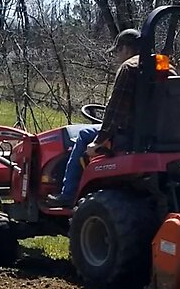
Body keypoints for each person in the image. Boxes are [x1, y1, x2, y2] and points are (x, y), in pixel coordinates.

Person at [45, 28, 144, 208]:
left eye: (117, 51)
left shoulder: (129, 68)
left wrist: (99, 141)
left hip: (128, 136)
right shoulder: (166, 67)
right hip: (153, 137)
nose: (116, 57)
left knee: (83, 135)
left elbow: (115, 111)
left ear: (126, 49)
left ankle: (68, 194)